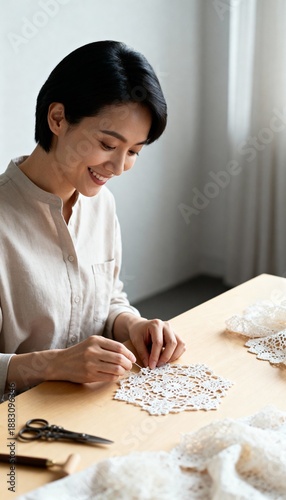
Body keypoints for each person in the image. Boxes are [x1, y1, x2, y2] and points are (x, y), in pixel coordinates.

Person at [0, 40, 185, 401]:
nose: (118, 168)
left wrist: (133, 324)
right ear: (57, 118)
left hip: (92, 403)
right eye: (107, 144)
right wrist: (54, 364)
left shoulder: (101, 204)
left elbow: (107, 299)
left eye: (133, 152)